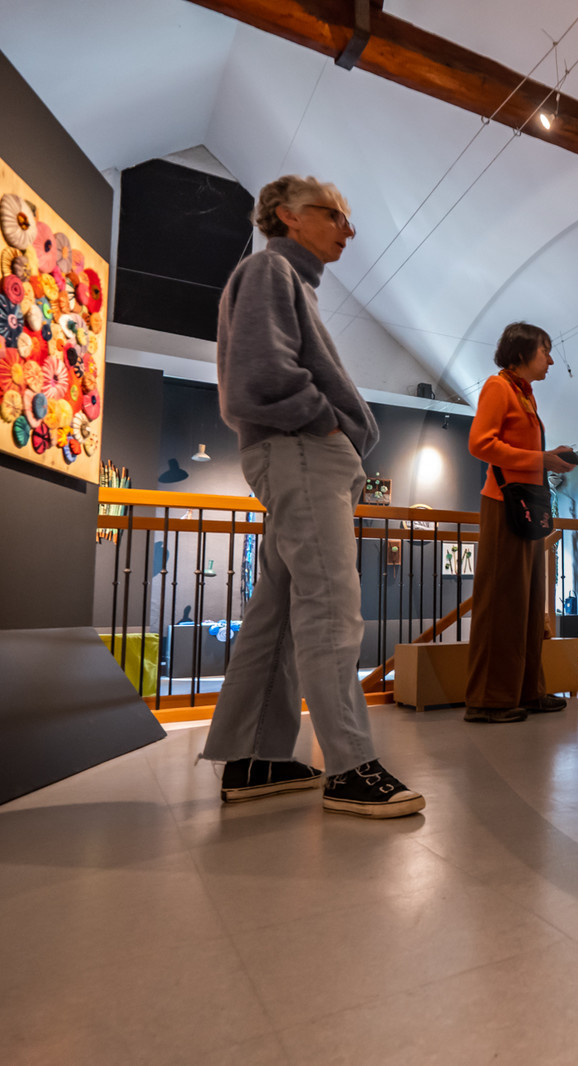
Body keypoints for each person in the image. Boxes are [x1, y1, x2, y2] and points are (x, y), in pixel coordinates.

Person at [200, 175, 424, 819]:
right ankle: (351, 767)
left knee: (276, 615)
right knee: (331, 609)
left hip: (302, 451)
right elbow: (262, 374)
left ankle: (255, 758)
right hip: (301, 448)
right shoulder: (270, 271)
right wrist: (326, 423)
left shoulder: (289, 282)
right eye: (333, 215)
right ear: (286, 216)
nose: (346, 230)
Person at [465, 322, 578, 723]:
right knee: (502, 603)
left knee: (528, 605)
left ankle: (527, 691)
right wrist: (540, 460)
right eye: (544, 351)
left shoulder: (523, 393)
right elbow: (480, 443)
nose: (549, 359)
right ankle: (488, 700)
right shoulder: (498, 388)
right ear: (521, 354)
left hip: (527, 507)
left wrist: (551, 455)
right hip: (504, 504)